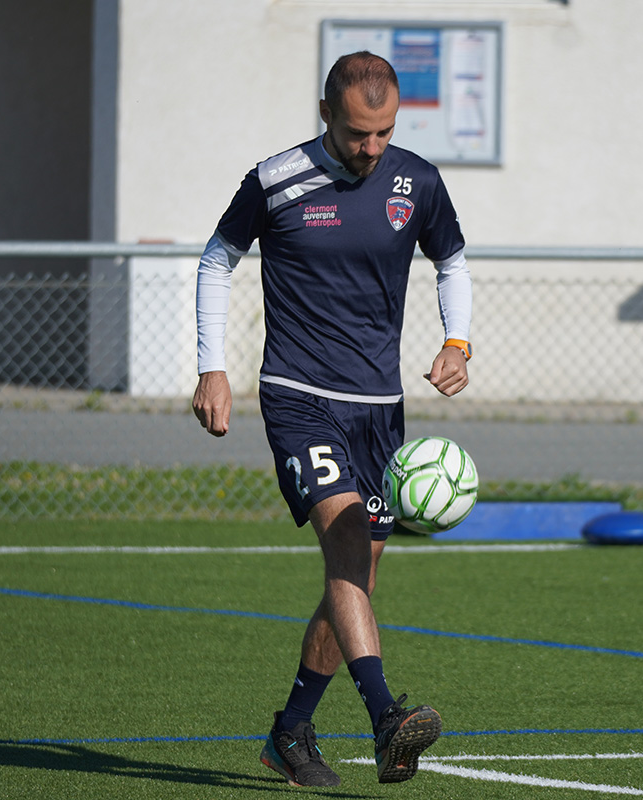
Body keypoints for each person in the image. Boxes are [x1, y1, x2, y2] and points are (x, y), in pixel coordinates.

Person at [191, 51, 473, 786]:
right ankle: (386, 718)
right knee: (347, 542)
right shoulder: (276, 180)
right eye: (357, 134)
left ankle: (291, 731)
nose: (371, 149)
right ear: (326, 115)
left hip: (381, 409)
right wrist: (210, 365)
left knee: (359, 572)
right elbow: (217, 258)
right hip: (298, 393)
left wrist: (457, 342)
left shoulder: (417, 182)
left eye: (383, 133)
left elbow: (452, 260)